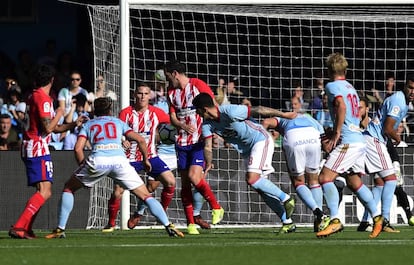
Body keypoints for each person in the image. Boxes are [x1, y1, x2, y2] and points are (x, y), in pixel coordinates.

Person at [45, 97, 184, 239]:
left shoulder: (89, 125)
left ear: (94, 110)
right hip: (120, 161)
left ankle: (60, 229)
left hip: (98, 161)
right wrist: (145, 159)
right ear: (110, 110)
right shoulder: (119, 122)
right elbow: (141, 140)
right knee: (146, 196)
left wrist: (84, 168)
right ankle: (168, 225)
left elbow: (77, 149)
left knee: (69, 188)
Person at [192, 92, 297, 233]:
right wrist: (209, 163)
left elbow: (258, 109)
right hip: (247, 150)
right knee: (261, 189)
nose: (197, 115)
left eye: (197, 111)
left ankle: (286, 199)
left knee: (252, 179)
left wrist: (284, 115)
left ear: (204, 109)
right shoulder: (207, 125)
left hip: (260, 140)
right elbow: (208, 146)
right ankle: (287, 222)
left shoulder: (229, 111)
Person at [9, 64, 87, 239]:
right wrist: (60, 112)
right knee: (45, 191)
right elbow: (49, 127)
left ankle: (26, 228)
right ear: (53, 80)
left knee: (43, 190)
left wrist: (74, 124)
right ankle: (20, 226)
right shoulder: (42, 99)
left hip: (33, 145)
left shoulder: (33, 96)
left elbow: (54, 128)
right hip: (37, 147)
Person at [315, 52, 383, 238]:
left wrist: (336, 132)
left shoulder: (331, 86)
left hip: (349, 142)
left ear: (329, 70)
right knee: (354, 182)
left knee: (324, 178)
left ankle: (335, 220)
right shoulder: (350, 87)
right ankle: (377, 218)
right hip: (358, 139)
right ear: (345, 69)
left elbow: (341, 106)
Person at [101, 84, 177, 233]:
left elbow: (173, 123)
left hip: (151, 156)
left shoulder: (157, 113)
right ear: (135, 95)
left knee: (170, 181)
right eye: (140, 93)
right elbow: (117, 131)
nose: (142, 96)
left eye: (145, 94)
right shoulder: (126, 113)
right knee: (118, 191)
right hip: (130, 159)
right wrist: (122, 140)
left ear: (150, 96)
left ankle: (156, 211)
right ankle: (110, 224)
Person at [164, 60, 224, 234]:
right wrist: (182, 126)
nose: (168, 81)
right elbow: (173, 118)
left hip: (199, 140)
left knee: (193, 176)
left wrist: (215, 133)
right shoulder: (171, 92)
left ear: (175, 73)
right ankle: (190, 223)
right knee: (185, 184)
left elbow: (214, 108)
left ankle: (216, 206)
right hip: (182, 142)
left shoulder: (197, 85)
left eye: (168, 76)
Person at [357, 76, 414, 233]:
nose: (412, 91)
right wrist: (397, 138)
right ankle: (385, 219)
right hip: (375, 140)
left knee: (381, 183)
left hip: (371, 139)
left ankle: (365, 220)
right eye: (410, 87)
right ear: (405, 86)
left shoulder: (401, 100)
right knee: (391, 179)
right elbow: (388, 128)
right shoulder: (398, 102)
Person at [262, 112, 330, 233]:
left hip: (295, 137)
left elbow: (266, 122)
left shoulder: (282, 119)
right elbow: (326, 145)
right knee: (314, 180)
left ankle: (319, 213)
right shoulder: (313, 120)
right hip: (313, 137)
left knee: (298, 181)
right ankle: (319, 221)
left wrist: (266, 139)